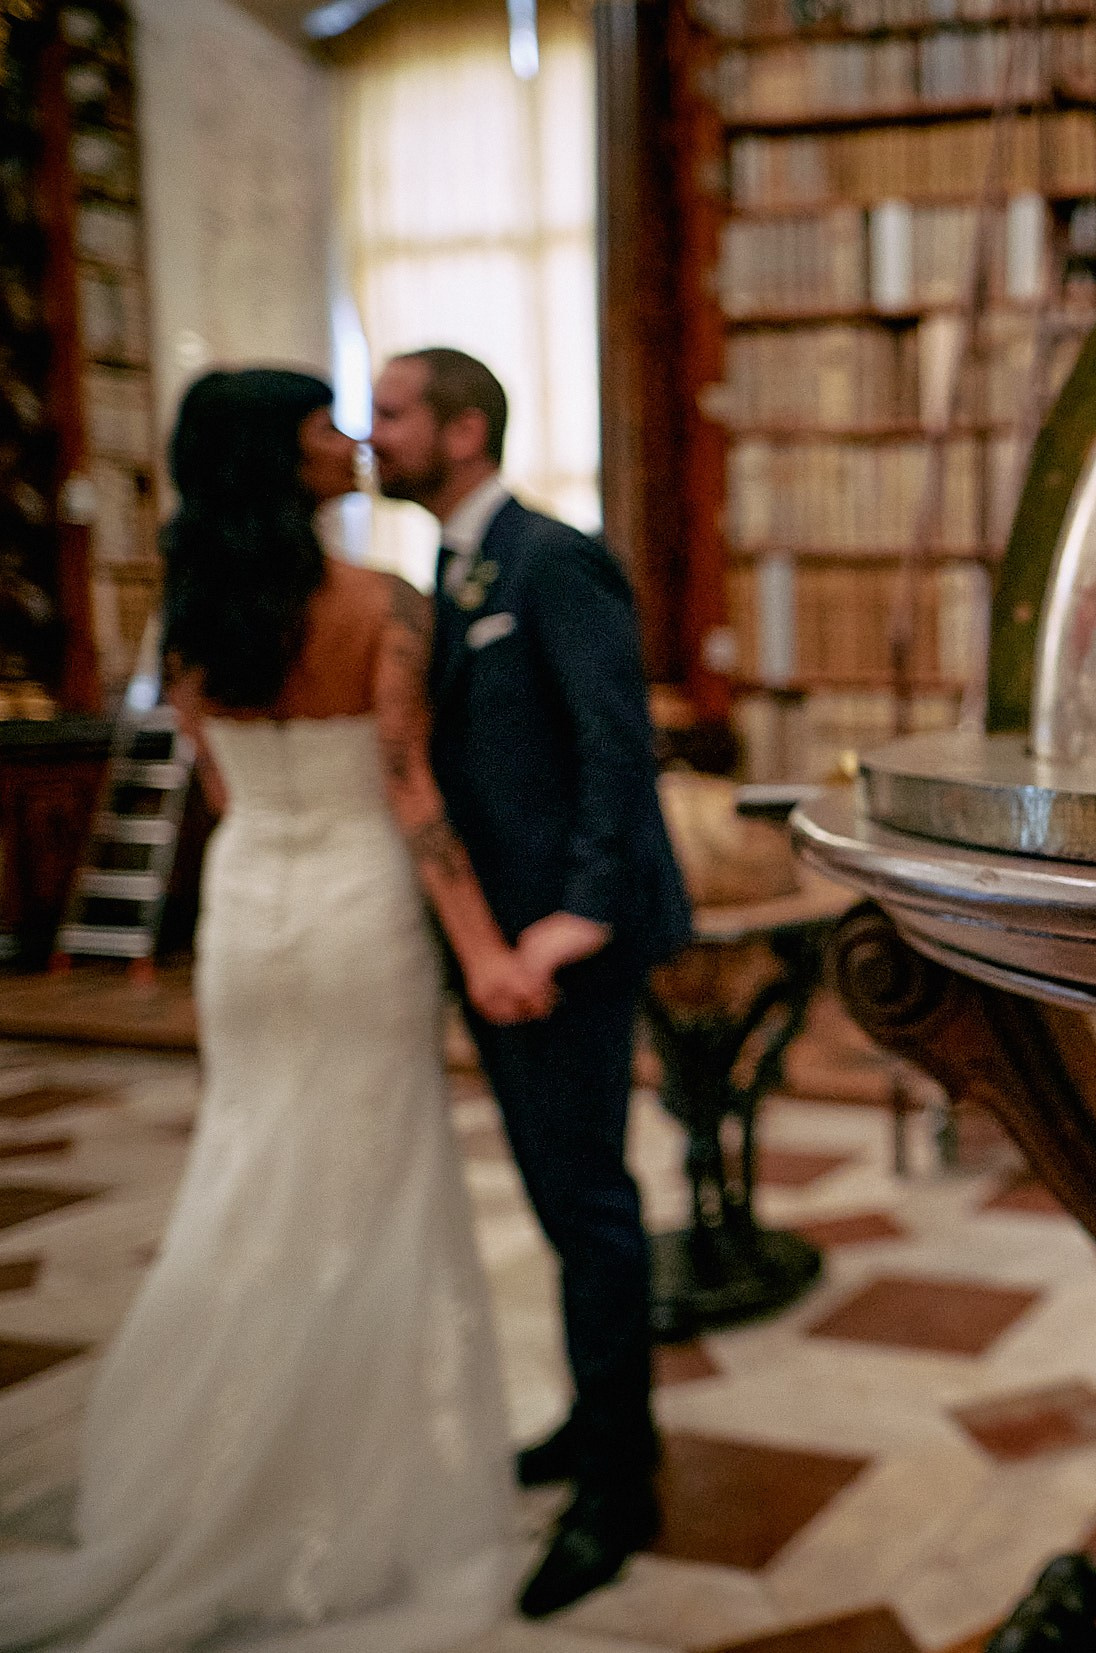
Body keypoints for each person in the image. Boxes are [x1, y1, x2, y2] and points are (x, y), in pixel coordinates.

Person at [0, 369, 542, 1649]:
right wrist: (484, 954)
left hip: (251, 911)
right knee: (366, 1191)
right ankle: (339, 1490)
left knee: (248, 1177)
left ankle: (209, 1470)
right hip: (356, 911)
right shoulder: (381, 607)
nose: (350, 442)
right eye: (323, 428)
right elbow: (410, 793)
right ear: (278, 459)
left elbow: (224, 791)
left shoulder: (188, 614)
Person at [368, 347, 692, 1618]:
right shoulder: (448, 576)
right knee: (566, 1209)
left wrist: (579, 917)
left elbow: (620, 749)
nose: (369, 433)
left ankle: (619, 1487)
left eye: (390, 414)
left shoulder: (554, 559)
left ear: (458, 431)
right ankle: (600, 1425)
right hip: (498, 945)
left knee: (593, 1210)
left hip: (565, 947)